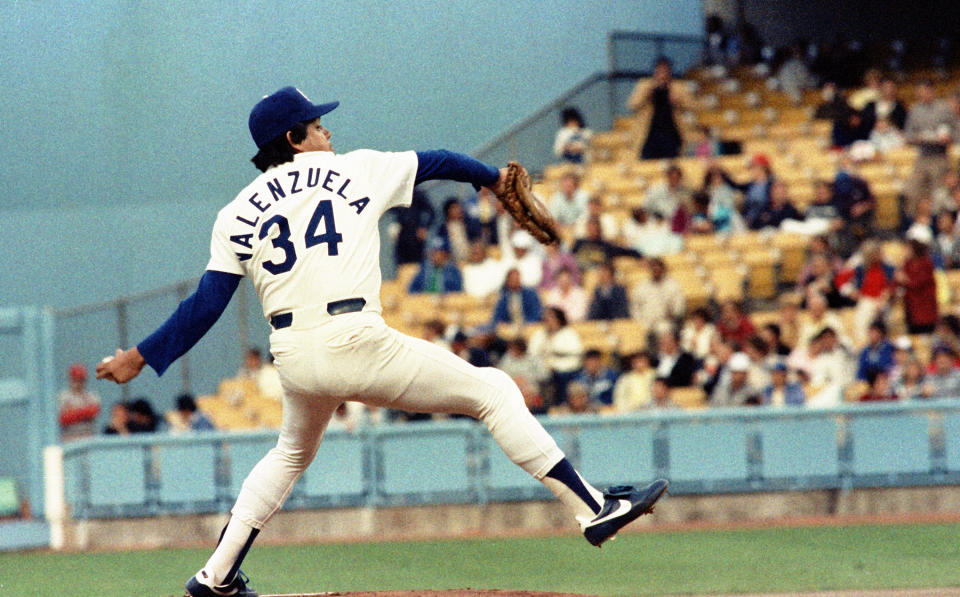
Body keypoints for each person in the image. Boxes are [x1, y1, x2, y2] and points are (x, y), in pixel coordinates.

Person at [95, 86, 667, 597]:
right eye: (317, 126)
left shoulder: (235, 213)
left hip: (293, 356)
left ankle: (215, 577)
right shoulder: (354, 169)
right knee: (492, 390)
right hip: (353, 338)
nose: (328, 131)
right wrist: (491, 180)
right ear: (295, 139)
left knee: (291, 452)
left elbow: (206, 306)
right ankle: (593, 508)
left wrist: (138, 357)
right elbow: (440, 160)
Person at [903, 79, 958, 219]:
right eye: (919, 91)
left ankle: (936, 227)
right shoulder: (914, 110)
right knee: (911, 191)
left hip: (939, 157)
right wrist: (918, 138)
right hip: (922, 157)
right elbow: (908, 135)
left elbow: (956, 131)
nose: (922, 94)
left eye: (925, 91)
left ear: (932, 91)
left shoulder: (944, 108)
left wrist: (948, 137)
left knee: (938, 195)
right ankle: (914, 225)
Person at [629, 57, 689, 160]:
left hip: (671, 134)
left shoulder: (678, 86)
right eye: (660, 70)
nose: (662, 73)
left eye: (665, 70)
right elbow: (632, 105)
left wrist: (678, 102)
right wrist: (646, 94)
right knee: (647, 163)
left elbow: (692, 106)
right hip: (649, 134)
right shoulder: (644, 85)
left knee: (672, 163)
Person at [896, 234, 938, 334]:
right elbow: (898, 280)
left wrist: (905, 280)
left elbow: (919, 282)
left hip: (924, 306)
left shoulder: (926, 263)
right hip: (911, 307)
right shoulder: (907, 263)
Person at [630, 257, 685, 330]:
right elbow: (635, 308)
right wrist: (640, 322)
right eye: (653, 267)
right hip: (645, 325)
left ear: (663, 269)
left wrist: (672, 315)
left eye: (657, 267)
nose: (655, 270)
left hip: (667, 325)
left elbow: (679, 308)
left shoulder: (673, 286)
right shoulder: (641, 287)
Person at [57, 363, 101, 442]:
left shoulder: (92, 396)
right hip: (69, 437)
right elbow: (63, 419)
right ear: (71, 379)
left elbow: (93, 412)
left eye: (81, 380)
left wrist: (73, 412)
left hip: (88, 436)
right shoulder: (63, 397)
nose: (78, 383)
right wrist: (83, 412)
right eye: (75, 379)